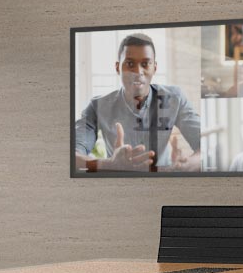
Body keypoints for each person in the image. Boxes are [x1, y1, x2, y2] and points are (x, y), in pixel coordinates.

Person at [71, 33, 202, 172]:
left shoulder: (175, 98)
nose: (138, 72)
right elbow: (71, 156)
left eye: (145, 64)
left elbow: (206, 146)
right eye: (130, 64)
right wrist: (108, 164)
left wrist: (188, 165)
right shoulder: (97, 106)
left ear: (154, 68)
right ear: (117, 68)